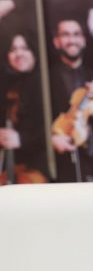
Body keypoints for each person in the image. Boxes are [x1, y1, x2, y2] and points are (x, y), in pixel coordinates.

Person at [49, 18, 93, 181]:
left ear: (83, 40)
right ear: (56, 42)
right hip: (61, 160)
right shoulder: (46, 77)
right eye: (65, 35)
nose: (72, 40)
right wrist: (50, 140)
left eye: (76, 34)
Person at [0, 32, 50, 184]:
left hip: (41, 167)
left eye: (24, 48)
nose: (18, 54)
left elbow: (54, 128)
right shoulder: (10, 85)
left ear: (34, 52)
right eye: (13, 49)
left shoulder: (46, 81)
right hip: (15, 167)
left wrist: (21, 139)